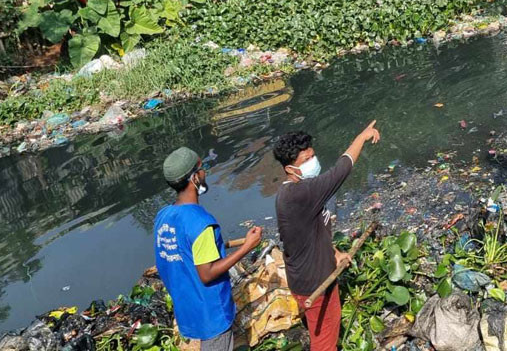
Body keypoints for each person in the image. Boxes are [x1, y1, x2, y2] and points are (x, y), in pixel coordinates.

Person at [273, 122, 381, 351]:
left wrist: (335, 253)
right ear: (290, 169)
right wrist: (362, 137)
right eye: (305, 161)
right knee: (325, 344)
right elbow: (341, 169)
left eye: (313, 156)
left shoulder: (292, 192)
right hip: (316, 284)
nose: (313, 162)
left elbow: (312, 233)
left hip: (309, 275)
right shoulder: (303, 192)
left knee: (321, 333)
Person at [154, 147, 263, 351]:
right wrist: (247, 247)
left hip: (187, 308)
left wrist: (227, 244)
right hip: (210, 312)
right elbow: (207, 273)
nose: (205, 173)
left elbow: (185, 250)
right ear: (194, 177)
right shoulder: (201, 222)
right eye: (202, 168)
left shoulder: (164, 216)